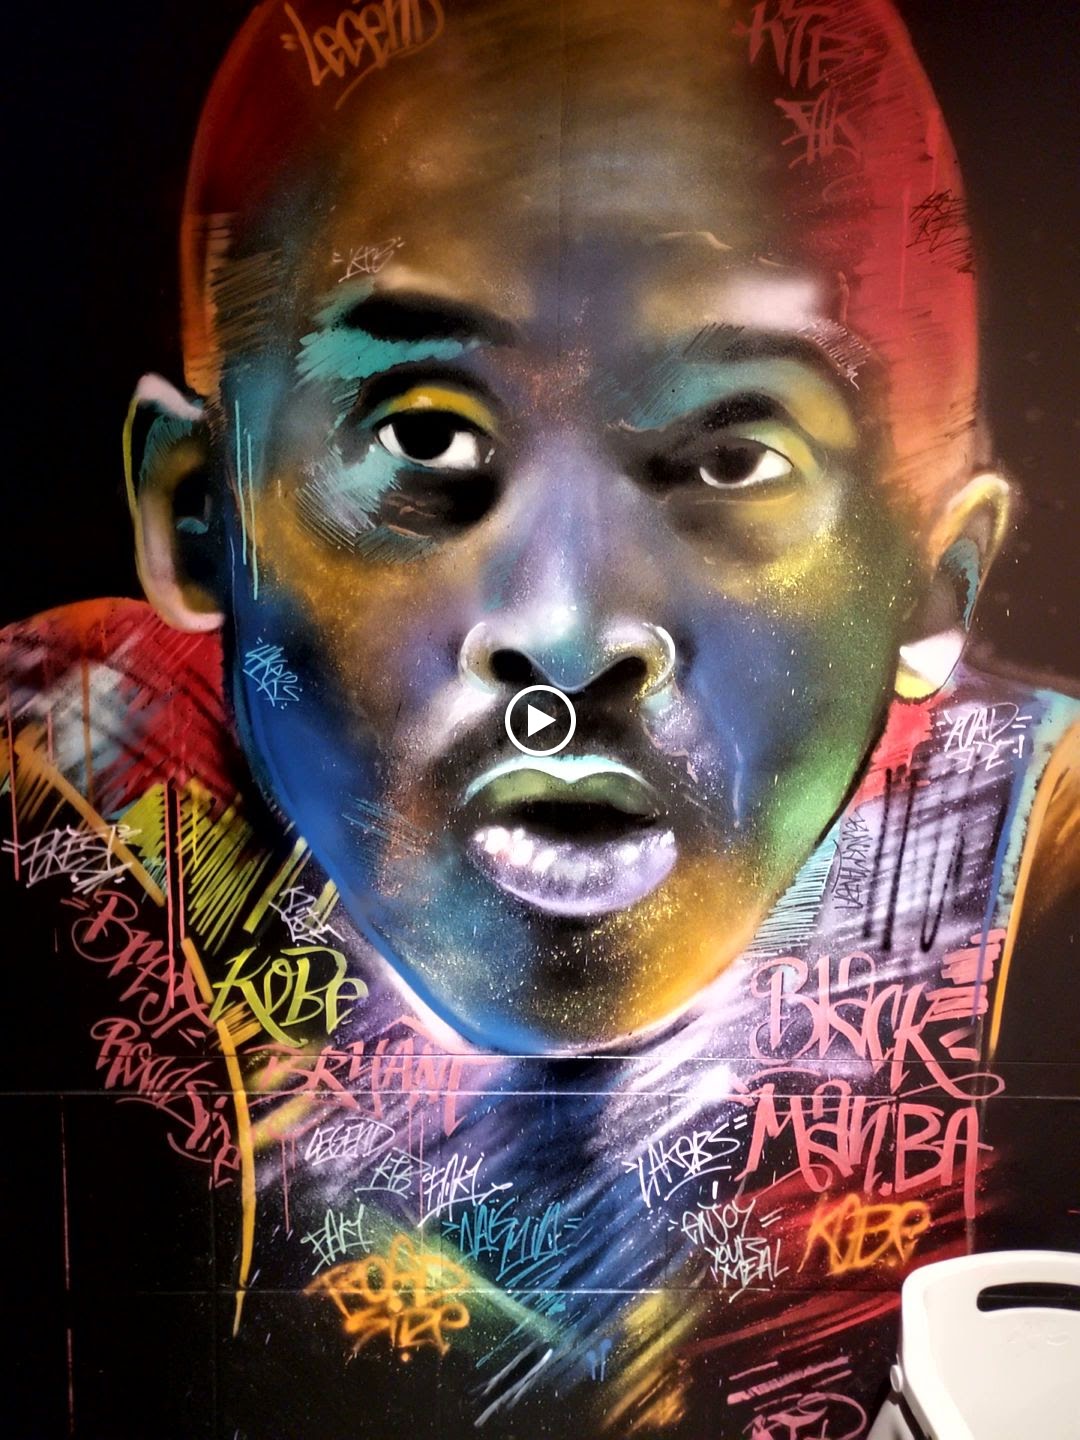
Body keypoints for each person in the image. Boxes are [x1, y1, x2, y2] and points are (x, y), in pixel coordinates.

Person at [2, 1, 1076, 1435]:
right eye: (423, 435)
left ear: (935, 580)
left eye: (733, 456)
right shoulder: (67, 775)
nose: (568, 632)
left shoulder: (1029, 848)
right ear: (199, 516)